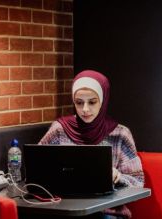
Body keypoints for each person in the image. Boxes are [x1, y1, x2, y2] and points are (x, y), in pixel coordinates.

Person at [38, 70, 144, 219]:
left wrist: (118, 177)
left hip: (107, 213)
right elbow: (37, 170)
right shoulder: (59, 130)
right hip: (63, 211)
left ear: (103, 100)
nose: (85, 109)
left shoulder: (120, 134)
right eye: (79, 102)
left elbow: (138, 182)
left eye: (92, 102)